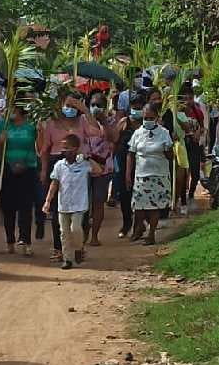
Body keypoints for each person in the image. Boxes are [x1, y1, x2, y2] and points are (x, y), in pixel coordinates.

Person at [37, 92, 102, 262]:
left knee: (81, 208)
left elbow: (97, 132)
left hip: (80, 165)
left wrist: (86, 111)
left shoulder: (82, 122)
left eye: (74, 106)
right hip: (58, 163)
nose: (70, 109)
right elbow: (43, 149)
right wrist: (44, 170)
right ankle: (59, 248)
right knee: (58, 208)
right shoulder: (50, 123)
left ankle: (80, 245)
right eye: (68, 105)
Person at [43, 134, 102, 270]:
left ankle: (79, 248)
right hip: (63, 205)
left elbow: (98, 171)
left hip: (79, 205)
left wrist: (88, 158)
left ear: (75, 149)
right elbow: (54, 183)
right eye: (63, 148)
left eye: (67, 148)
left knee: (75, 229)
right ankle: (67, 259)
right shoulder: (59, 165)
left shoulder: (84, 164)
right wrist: (47, 201)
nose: (64, 151)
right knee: (63, 232)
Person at [0, 100, 38, 256]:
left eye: (11, 108)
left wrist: (24, 163)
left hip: (28, 169)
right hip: (7, 170)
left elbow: (37, 146)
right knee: (7, 207)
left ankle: (26, 241)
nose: (8, 110)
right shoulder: (2, 126)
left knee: (25, 207)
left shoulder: (32, 126)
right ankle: (10, 241)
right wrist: (0, 141)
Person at [126, 100, 174, 247]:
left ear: (157, 117)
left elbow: (170, 156)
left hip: (159, 175)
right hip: (141, 175)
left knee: (154, 207)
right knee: (139, 207)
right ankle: (138, 229)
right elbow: (131, 154)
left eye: (151, 118)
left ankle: (151, 234)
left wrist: (168, 148)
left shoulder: (164, 133)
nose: (147, 120)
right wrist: (128, 174)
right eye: (145, 118)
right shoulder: (137, 133)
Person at [84, 91, 116, 246]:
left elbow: (113, 138)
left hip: (103, 168)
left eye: (99, 105)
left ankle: (94, 236)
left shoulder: (109, 121)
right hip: (84, 167)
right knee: (83, 203)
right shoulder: (83, 120)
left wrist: (104, 122)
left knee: (98, 202)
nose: (95, 108)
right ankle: (83, 234)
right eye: (93, 105)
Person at [112, 92, 145, 239]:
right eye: (134, 107)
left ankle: (139, 224)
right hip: (122, 163)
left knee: (139, 195)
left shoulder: (146, 123)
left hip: (141, 164)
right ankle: (127, 223)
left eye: (139, 107)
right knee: (124, 195)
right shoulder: (124, 123)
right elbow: (114, 141)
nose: (136, 109)